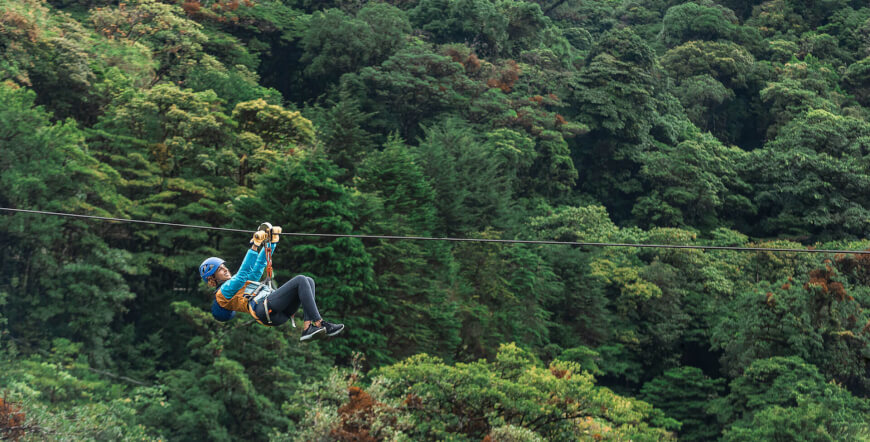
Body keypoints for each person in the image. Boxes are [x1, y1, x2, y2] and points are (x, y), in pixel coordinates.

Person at [199, 224, 344, 342]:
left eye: (224, 266)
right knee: (300, 279)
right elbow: (242, 275)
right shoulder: (222, 294)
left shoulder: (242, 285)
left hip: (277, 312)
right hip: (264, 309)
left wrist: (272, 242)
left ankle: (308, 327)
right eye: (219, 270)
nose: (225, 269)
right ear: (212, 279)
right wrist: (254, 245)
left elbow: (259, 265)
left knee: (308, 281)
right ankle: (319, 323)